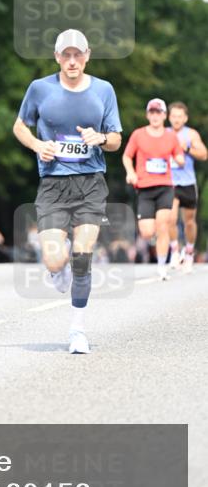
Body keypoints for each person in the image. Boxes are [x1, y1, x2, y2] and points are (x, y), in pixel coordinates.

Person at [13, 29, 122, 354]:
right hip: (53, 183)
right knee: (54, 258)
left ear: (87, 55)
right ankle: (56, 271)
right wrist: (37, 145)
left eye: (78, 54)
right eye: (66, 54)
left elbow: (116, 138)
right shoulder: (40, 89)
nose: (72, 60)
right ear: (57, 57)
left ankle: (77, 330)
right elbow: (20, 125)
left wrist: (99, 139)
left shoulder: (103, 90)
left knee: (82, 256)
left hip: (90, 182)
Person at [123, 100, 185, 281]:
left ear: (164, 115)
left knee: (163, 225)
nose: (155, 116)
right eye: (152, 112)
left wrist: (180, 160)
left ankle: (161, 267)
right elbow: (127, 156)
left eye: (159, 112)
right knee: (147, 232)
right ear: (148, 115)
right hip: (144, 188)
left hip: (165, 186)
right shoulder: (138, 135)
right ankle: (158, 240)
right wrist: (131, 172)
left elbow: (178, 155)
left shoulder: (171, 137)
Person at [167, 101, 207, 273]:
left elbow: (204, 154)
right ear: (169, 117)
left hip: (188, 183)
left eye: (179, 116)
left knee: (189, 222)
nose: (176, 120)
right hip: (169, 183)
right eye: (173, 116)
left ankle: (189, 251)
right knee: (170, 218)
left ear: (185, 118)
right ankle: (175, 251)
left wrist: (187, 148)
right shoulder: (164, 133)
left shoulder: (190, 134)